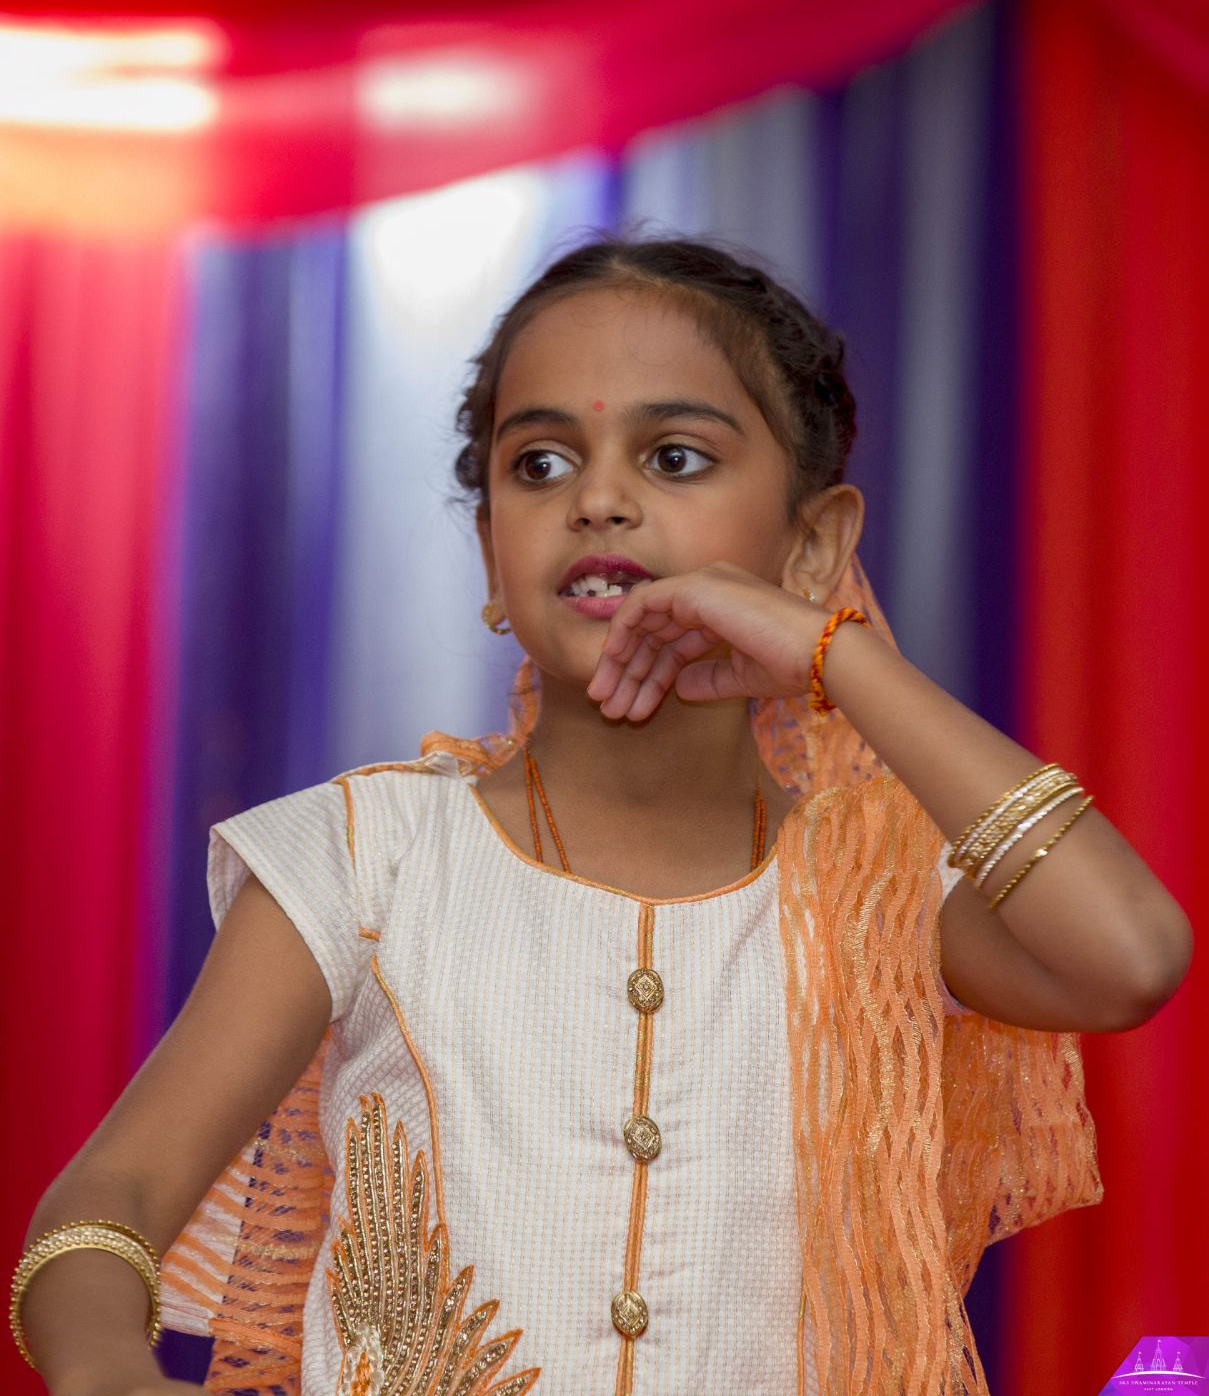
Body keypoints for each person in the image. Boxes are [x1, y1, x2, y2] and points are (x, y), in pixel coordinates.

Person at [13, 234, 1192, 1396]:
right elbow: (101, 1206)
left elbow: (1131, 956)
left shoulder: (879, 888)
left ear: (816, 544)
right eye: (539, 465)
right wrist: (110, 1368)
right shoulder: (367, 861)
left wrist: (836, 658)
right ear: (489, 552)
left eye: (674, 457)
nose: (600, 500)